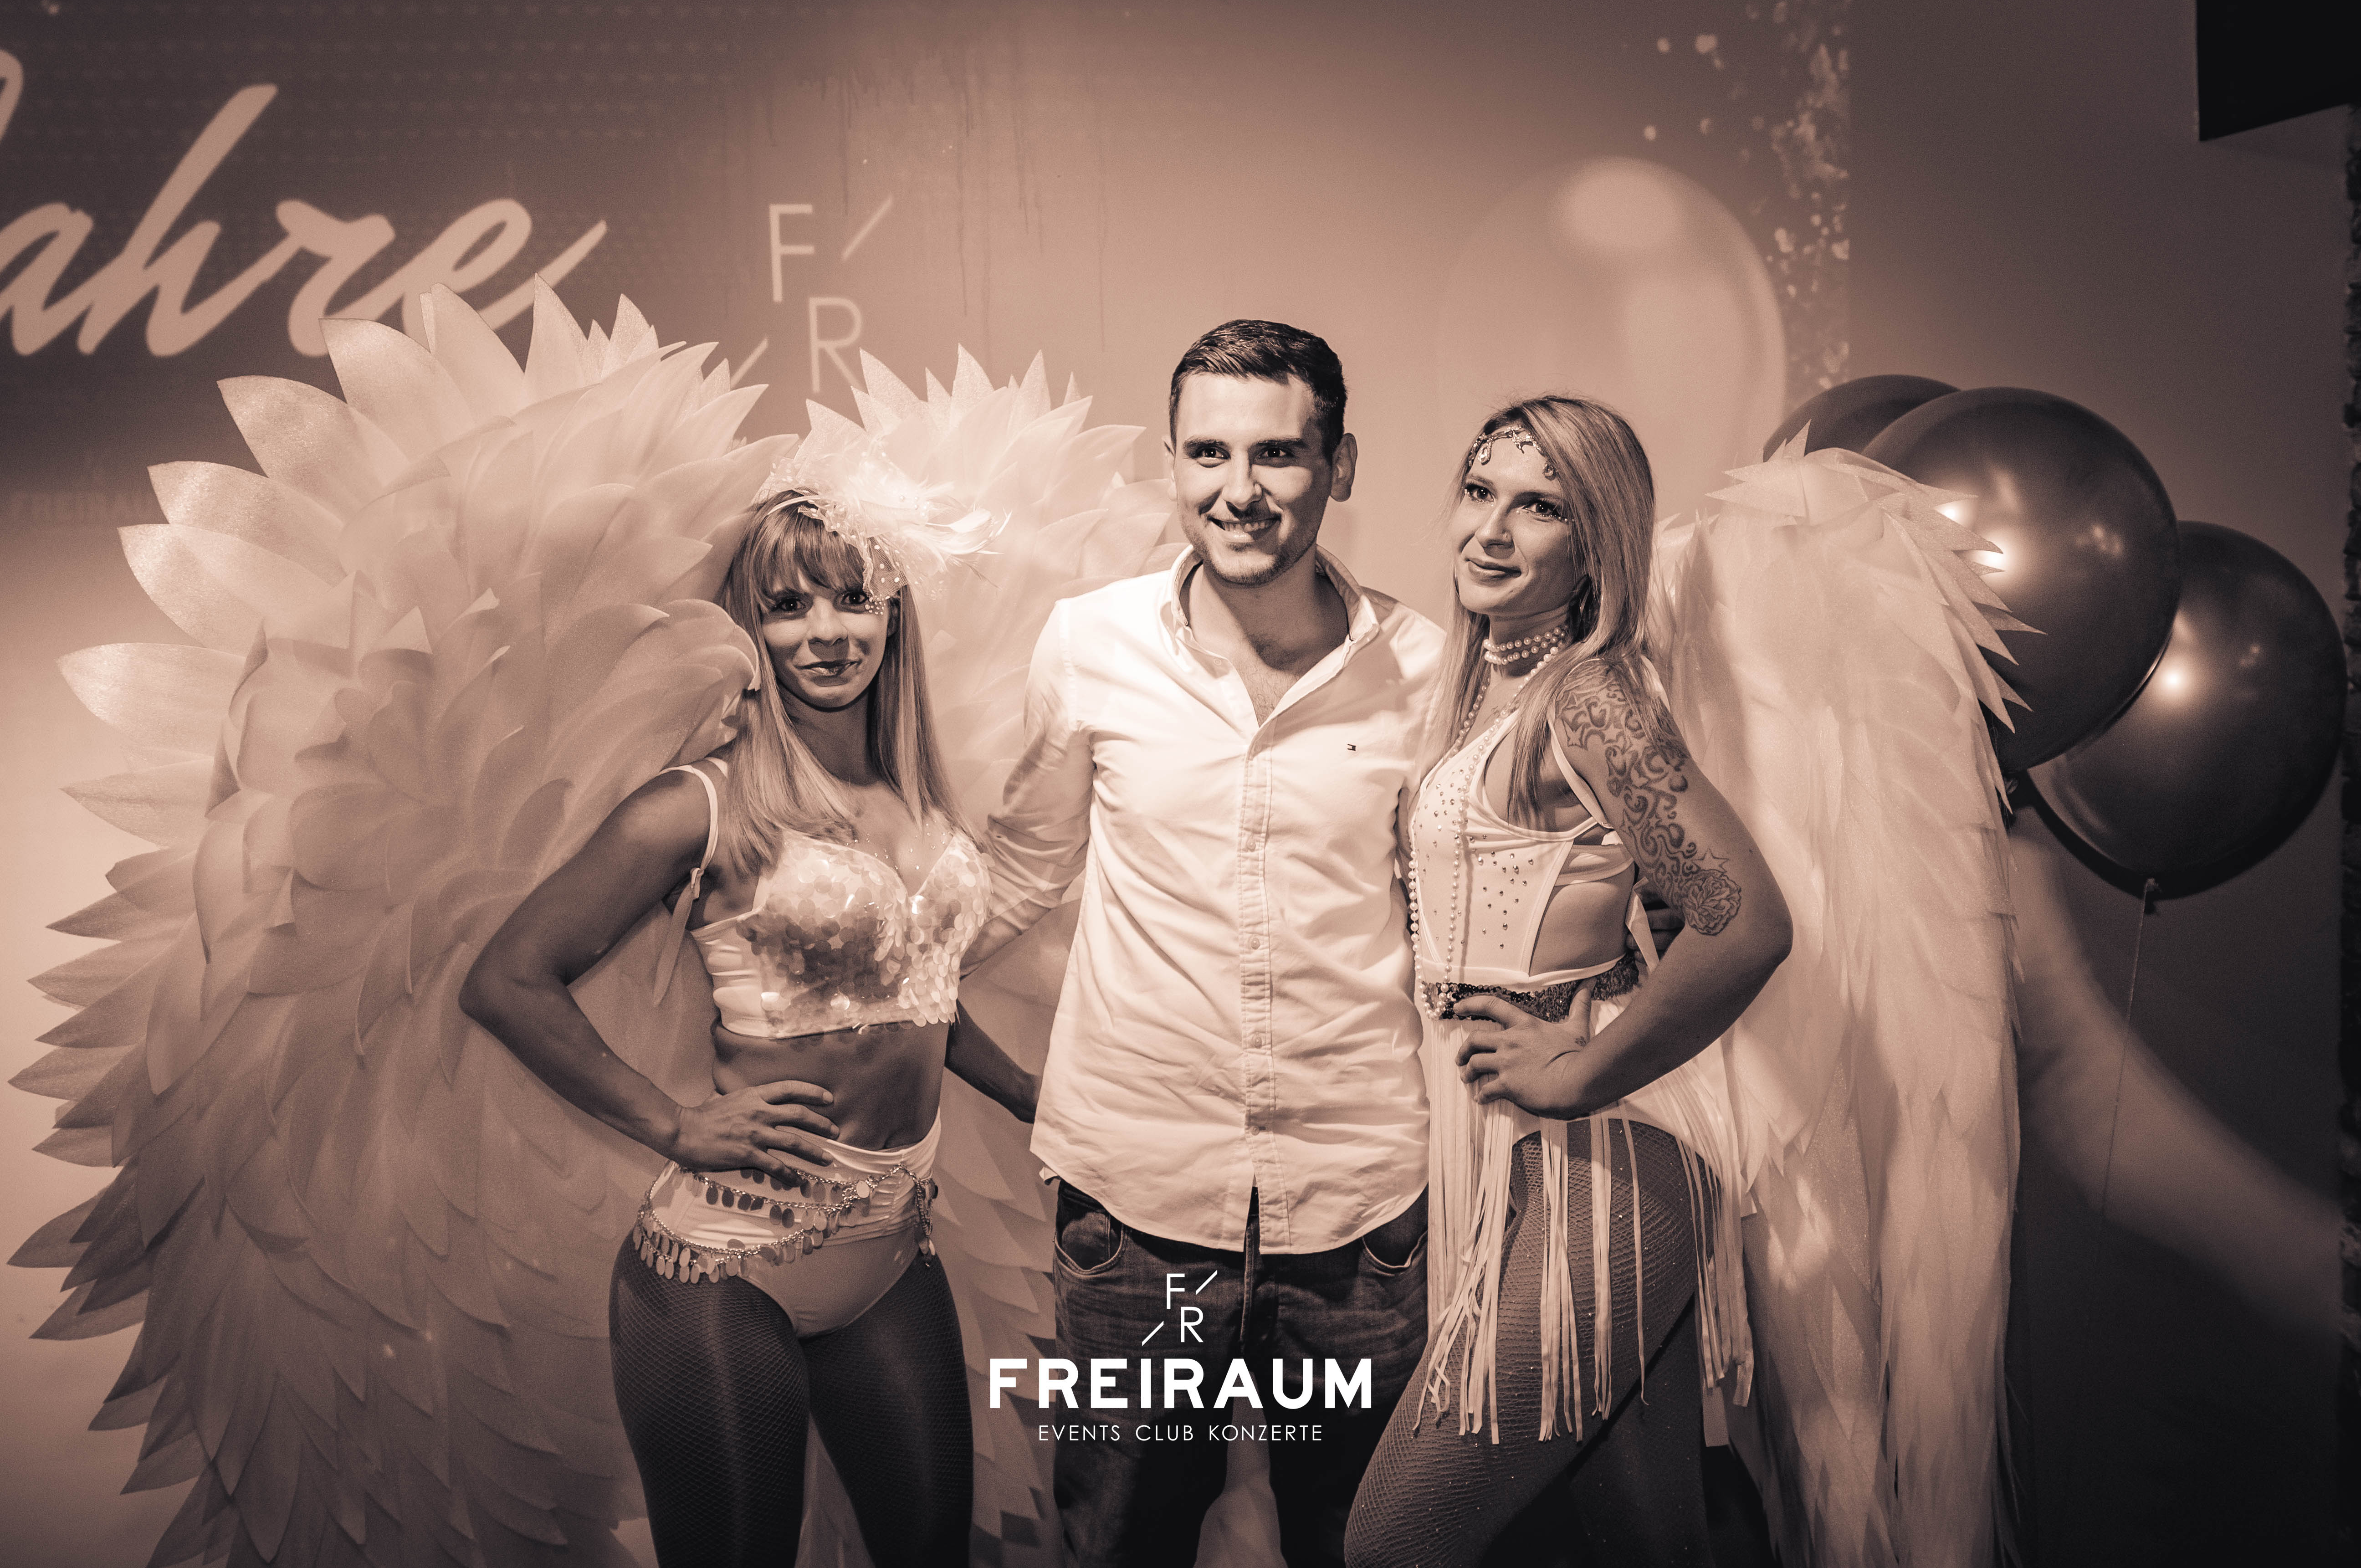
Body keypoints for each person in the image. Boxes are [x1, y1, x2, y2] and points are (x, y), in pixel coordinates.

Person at [462, 483, 1040, 1567]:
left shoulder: (922, 802)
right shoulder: (702, 802)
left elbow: (917, 993)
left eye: (852, 600)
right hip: (724, 1271)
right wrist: (675, 1125)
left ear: (893, 615)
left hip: (891, 1257)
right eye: (787, 606)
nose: (826, 633)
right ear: (749, 628)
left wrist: (1031, 1098)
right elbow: (508, 979)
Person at [965, 319, 1443, 1567]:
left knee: (1363, 1541)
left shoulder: (1428, 669)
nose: (1240, 490)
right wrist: (859, 953)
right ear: (1173, 462)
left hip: (1361, 1208)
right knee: (1118, 1539)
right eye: (1208, 453)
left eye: (1278, 453)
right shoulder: (1090, 643)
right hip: (1137, 1201)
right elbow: (1025, 863)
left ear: (1340, 465)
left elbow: (1444, 914)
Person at [1342, 398, 1790, 1566]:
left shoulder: (1589, 697)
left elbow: (1747, 924)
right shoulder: (1479, 690)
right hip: (1513, 1156)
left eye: (1539, 506)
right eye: (1479, 491)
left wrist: (1577, 1071)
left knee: (1393, 1544)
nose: (1492, 530)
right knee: (1644, 1542)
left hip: (1608, 1157)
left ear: (1597, 546)